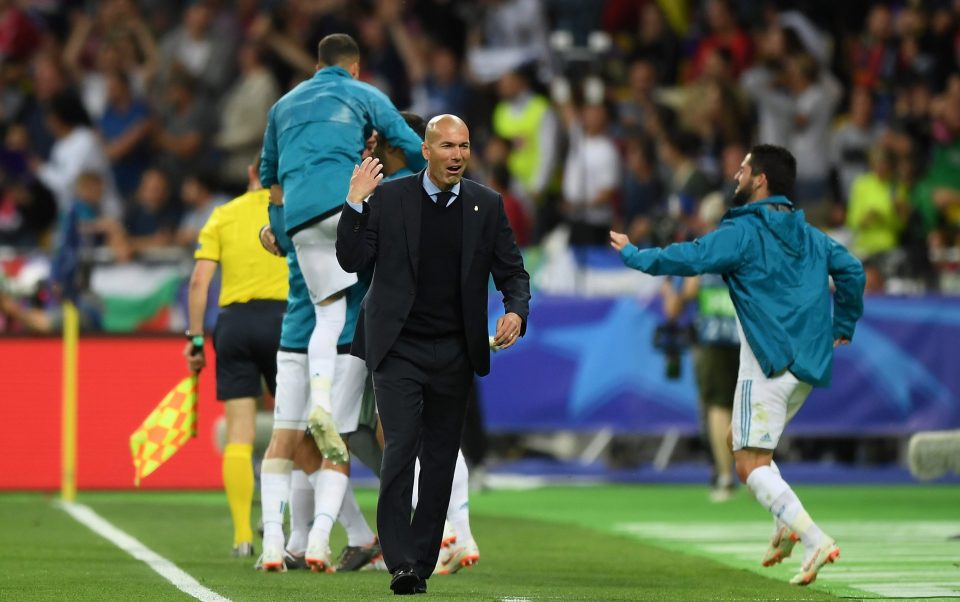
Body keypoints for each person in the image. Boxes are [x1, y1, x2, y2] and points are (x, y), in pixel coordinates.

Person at [610, 144, 865, 586]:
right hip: (807, 363)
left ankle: (813, 537)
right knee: (739, 440)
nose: (736, 177)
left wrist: (634, 254)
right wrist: (843, 322)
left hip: (766, 362)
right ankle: (784, 525)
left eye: (743, 170)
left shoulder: (743, 230)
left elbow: (688, 258)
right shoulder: (810, 234)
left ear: (760, 180)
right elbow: (853, 271)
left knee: (748, 464)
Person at [336, 114, 531, 595]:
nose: (457, 155)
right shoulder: (389, 198)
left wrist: (516, 312)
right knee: (401, 447)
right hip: (398, 347)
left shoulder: (487, 205)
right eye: (447, 146)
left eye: (464, 146)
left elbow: (514, 273)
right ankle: (400, 560)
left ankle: (419, 562)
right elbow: (350, 260)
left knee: (441, 457)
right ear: (426, 151)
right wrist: (354, 203)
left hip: (455, 351)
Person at [257, 32, 425, 573]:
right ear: (354, 67)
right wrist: (449, 180)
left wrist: (278, 230)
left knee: (324, 313)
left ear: (315, 64)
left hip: (302, 220)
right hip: (351, 209)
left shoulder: (283, 105)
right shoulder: (363, 93)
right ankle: (439, 528)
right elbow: (410, 136)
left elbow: (270, 179)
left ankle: (301, 536)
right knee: (394, 427)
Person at [184, 158, 288, 558]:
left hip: (235, 324)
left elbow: (199, 282)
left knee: (239, 437)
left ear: (250, 173)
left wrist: (195, 339)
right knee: (293, 427)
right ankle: (278, 520)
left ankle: (243, 535)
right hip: (285, 321)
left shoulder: (222, 215)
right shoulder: (289, 211)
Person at [659, 195, 740, 503]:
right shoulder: (747, 247)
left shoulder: (703, 251)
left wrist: (668, 287)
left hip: (715, 339)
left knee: (719, 407)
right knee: (750, 407)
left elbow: (675, 307)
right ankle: (760, 475)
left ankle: (724, 475)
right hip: (748, 339)